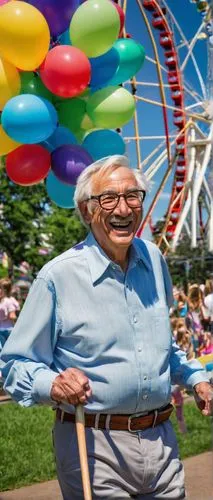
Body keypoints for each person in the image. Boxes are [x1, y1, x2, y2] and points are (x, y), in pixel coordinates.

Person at [0, 155, 212, 500]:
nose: (123, 208)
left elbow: (162, 347)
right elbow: (14, 364)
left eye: (133, 196)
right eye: (108, 199)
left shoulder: (154, 260)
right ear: (87, 211)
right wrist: (53, 383)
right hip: (94, 446)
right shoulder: (57, 276)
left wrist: (195, 378)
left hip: (161, 440)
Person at [0, 278, 19, 352]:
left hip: (6, 330)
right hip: (8, 329)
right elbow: (15, 313)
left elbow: (13, 315)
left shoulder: (8, 301)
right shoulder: (10, 300)